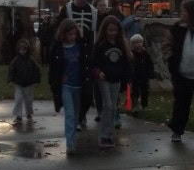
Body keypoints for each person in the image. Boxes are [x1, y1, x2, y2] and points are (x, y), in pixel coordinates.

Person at [55, 0, 98, 128]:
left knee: (86, 90)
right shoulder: (67, 9)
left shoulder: (92, 11)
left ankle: (81, 114)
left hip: (85, 53)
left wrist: (92, 52)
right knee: (72, 86)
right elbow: (59, 29)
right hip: (70, 51)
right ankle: (75, 117)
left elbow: (93, 33)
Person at [48, 19, 92, 156]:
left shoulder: (81, 46)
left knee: (77, 114)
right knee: (70, 114)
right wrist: (55, 81)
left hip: (79, 84)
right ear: (63, 34)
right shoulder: (58, 48)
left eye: (74, 34)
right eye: (69, 34)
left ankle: (73, 139)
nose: (72, 37)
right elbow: (53, 67)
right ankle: (70, 144)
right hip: (66, 85)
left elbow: (87, 64)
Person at [165, 0, 194, 142]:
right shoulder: (177, 29)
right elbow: (167, 46)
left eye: (184, 11)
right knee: (181, 104)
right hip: (181, 74)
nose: (182, 13)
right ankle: (177, 130)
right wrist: (171, 61)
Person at [91, 15, 133, 149]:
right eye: (110, 30)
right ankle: (104, 136)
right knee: (107, 105)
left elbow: (126, 63)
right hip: (104, 79)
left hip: (116, 79)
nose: (112, 33)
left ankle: (109, 135)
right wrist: (98, 72)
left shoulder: (121, 45)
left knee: (114, 107)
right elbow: (93, 62)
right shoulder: (100, 45)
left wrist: (127, 78)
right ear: (105, 30)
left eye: (115, 30)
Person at [7, 39, 41, 126]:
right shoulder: (15, 61)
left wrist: (37, 81)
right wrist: (10, 80)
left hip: (29, 83)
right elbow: (11, 71)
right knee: (18, 99)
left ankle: (29, 113)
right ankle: (18, 115)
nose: (22, 51)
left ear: (27, 50)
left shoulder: (31, 61)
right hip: (18, 83)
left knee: (28, 100)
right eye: (21, 49)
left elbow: (37, 71)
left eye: (24, 49)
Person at [129, 33, 155, 113]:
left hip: (144, 76)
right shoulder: (131, 54)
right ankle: (135, 106)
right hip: (135, 76)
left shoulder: (145, 54)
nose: (139, 44)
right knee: (135, 91)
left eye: (140, 42)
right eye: (136, 43)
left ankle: (144, 105)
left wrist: (150, 73)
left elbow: (150, 63)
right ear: (132, 44)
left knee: (145, 91)